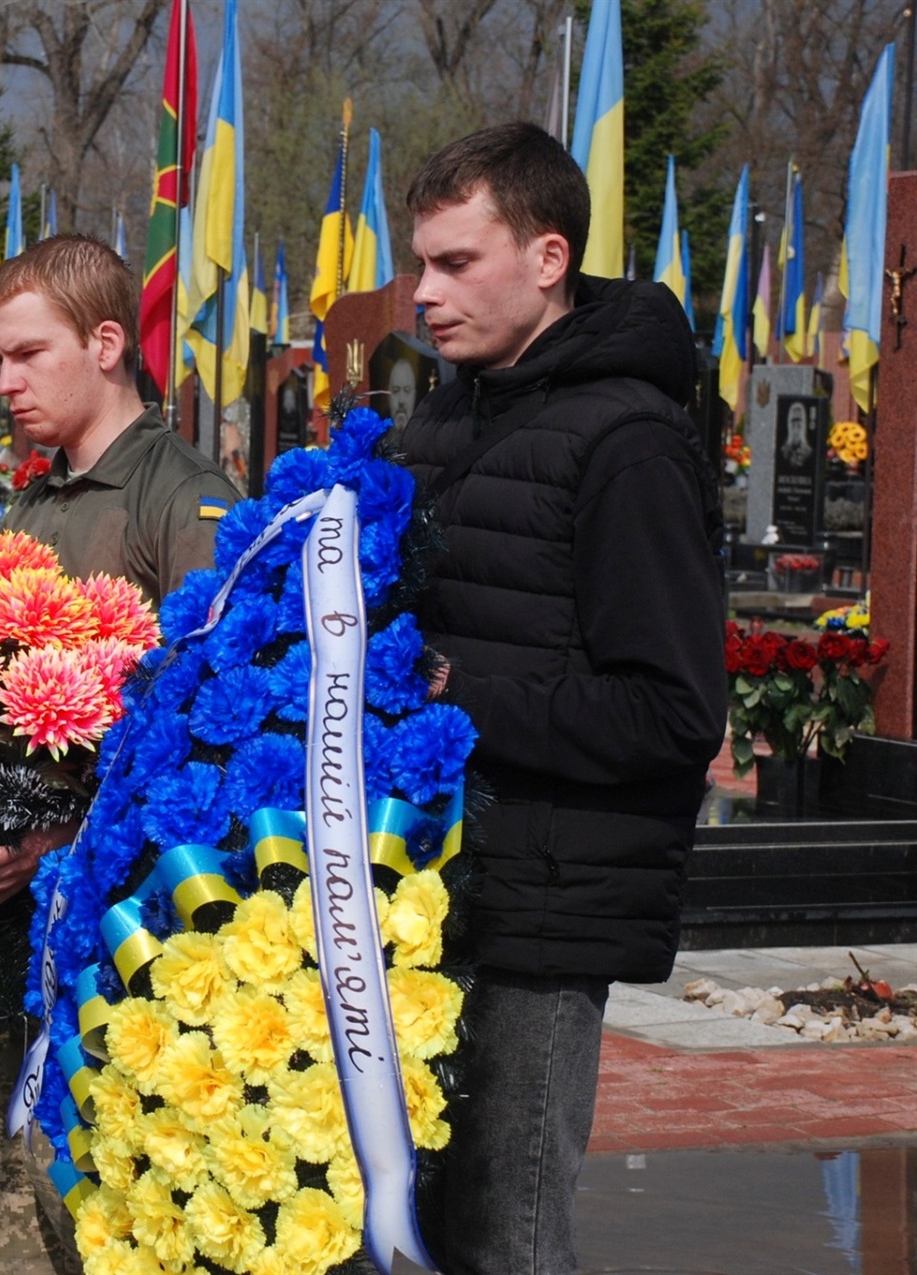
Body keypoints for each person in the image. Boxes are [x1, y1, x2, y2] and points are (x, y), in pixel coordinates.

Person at [398, 122, 725, 1272]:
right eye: (419, 263)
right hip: (418, 894)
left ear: (546, 259)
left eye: (454, 263)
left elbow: (673, 711)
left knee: (506, 1231)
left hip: (539, 915)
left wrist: (452, 695)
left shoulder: (629, 441)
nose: (422, 293)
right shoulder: (440, 417)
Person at [0, 234, 241, 1274]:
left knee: (114, 1189)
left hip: (127, 924)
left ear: (107, 341)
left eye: (27, 354)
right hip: (17, 906)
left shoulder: (183, 497)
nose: (6, 381)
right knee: (12, 1184)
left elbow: (213, 727)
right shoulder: (30, 500)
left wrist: (67, 839)